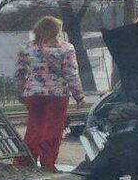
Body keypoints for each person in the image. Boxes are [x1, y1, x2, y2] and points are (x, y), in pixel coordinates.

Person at [13, 16, 85, 171]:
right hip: (57, 94)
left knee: (34, 127)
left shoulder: (25, 48)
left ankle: (25, 162)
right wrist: (79, 95)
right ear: (56, 30)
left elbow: (19, 73)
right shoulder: (66, 48)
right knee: (53, 129)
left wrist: (21, 92)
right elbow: (71, 73)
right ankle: (48, 163)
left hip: (33, 93)